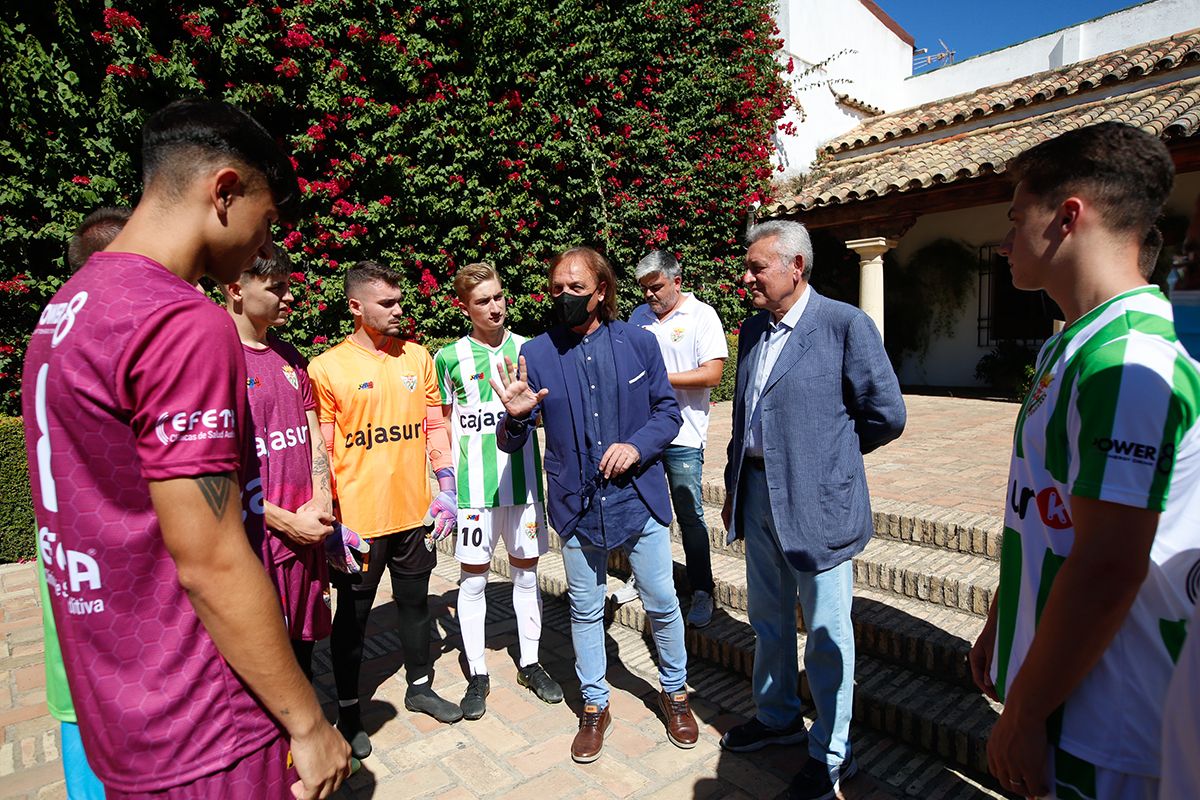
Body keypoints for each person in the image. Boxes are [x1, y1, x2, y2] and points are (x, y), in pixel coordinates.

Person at [21, 100, 350, 799]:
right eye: (266, 222)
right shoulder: (178, 321)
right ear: (225, 191)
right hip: (205, 722)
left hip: (121, 710)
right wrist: (308, 722)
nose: (262, 245)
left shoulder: (65, 311)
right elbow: (210, 558)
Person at [968, 122, 1200, 800]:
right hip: (1070, 697)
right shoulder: (1072, 345)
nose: (1007, 240)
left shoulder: (1128, 362)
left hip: (1107, 721)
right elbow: (1047, 510)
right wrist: (999, 623)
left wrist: (1027, 712)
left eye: (1017, 219)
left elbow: (1107, 565)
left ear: (1069, 216)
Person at [719, 220, 905, 800]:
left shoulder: (845, 325)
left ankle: (831, 751)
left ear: (796, 267)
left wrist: (831, 458)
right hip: (758, 496)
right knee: (768, 619)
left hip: (817, 503)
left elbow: (886, 414)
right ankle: (776, 716)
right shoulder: (753, 330)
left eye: (757, 268)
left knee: (826, 631)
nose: (745, 276)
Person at [493, 245, 698, 763]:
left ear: (601, 291)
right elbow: (512, 440)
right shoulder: (535, 354)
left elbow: (667, 414)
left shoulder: (639, 344)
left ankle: (675, 693)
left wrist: (637, 445)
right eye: (557, 288)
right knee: (586, 610)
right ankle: (594, 704)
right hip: (575, 505)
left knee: (662, 602)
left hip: (638, 499)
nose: (564, 296)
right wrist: (516, 418)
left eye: (576, 288)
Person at [308, 260, 464, 759]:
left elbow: (435, 425)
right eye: (387, 303)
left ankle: (419, 687)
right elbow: (322, 453)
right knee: (352, 620)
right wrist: (331, 519)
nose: (400, 310)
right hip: (358, 525)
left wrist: (446, 485)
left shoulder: (418, 358)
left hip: (415, 514)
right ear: (356, 307)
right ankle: (350, 712)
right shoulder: (326, 368)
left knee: (416, 605)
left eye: (400, 301)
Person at [33, 206, 136, 800]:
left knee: (77, 707)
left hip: (69, 566)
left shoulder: (52, 324)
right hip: (115, 580)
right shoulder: (109, 329)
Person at [433, 262, 563, 720]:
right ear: (464, 307)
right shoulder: (448, 357)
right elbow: (440, 425)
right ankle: (478, 674)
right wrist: (445, 482)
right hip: (472, 493)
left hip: (525, 488)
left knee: (528, 575)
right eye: (482, 300)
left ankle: (530, 662)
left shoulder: (530, 349)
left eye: (498, 296)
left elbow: (550, 414)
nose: (495, 307)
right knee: (473, 580)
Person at [221, 248, 334, 680]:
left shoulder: (290, 357)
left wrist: (321, 498)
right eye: (276, 288)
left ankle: (304, 744)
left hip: (306, 537)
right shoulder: (214, 360)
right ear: (236, 289)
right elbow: (216, 475)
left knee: (303, 650)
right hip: (256, 545)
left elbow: (313, 436)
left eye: (288, 286)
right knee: (261, 665)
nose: (288, 298)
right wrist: (285, 522)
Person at [620, 251, 727, 627]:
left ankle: (702, 591)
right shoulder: (638, 318)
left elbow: (712, 373)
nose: (649, 295)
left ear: (676, 280)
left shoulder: (702, 316)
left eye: (657, 286)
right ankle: (643, 579)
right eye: (644, 289)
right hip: (644, 436)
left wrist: (659, 379)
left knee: (689, 514)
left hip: (684, 433)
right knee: (644, 510)